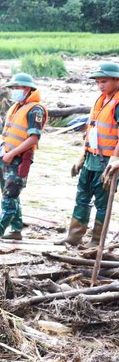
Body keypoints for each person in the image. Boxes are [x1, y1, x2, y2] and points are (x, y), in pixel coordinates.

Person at [0, 73, 47, 251]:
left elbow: (34, 138)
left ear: (27, 89)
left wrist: (12, 154)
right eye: (11, 88)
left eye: (16, 88)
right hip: (5, 157)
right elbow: (0, 130)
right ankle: (17, 230)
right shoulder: (15, 107)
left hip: (18, 160)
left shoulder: (35, 110)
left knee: (9, 198)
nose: (13, 92)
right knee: (11, 195)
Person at [63, 62, 119, 246]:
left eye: (104, 81)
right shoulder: (101, 100)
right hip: (91, 159)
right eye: (98, 82)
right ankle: (73, 237)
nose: (100, 85)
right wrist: (82, 157)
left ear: (116, 80)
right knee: (82, 197)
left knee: (102, 203)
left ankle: (96, 241)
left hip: (106, 163)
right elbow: (93, 131)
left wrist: (116, 159)